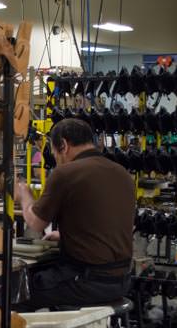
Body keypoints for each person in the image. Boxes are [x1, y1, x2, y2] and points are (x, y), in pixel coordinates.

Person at [14, 118, 135, 312]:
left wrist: (24, 195)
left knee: (15, 291)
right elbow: (109, 224)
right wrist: (68, 236)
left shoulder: (66, 173)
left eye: (54, 153)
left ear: (63, 145)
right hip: (122, 280)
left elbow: (36, 223)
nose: (56, 159)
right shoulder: (122, 174)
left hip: (86, 282)